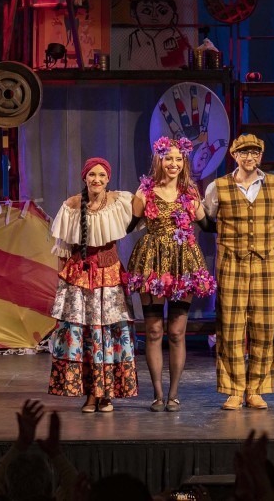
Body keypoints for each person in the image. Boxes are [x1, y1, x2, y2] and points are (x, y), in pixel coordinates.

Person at [125, 136, 216, 412]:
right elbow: (127, 225)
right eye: (169, 158)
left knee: (176, 332)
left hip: (182, 263)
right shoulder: (145, 191)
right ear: (159, 160)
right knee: (154, 330)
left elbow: (207, 225)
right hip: (152, 262)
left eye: (179, 159)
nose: (174, 163)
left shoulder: (190, 192)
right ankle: (157, 393)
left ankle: (174, 394)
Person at [203, 133, 274, 411]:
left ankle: (256, 389)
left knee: (264, 327)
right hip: (232, 263)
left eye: (254, 153)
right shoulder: (218, 186)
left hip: (266, 263)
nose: (249, 157)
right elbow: (208, 218)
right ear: (234, 155)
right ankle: (234, 390)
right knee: (231, 328)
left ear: (260, 156)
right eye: (244, 153)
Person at [48, 157, 138, 413]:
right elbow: (63, 249)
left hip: (109, 276)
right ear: (84, 177)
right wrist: (63, 284)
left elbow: (144, 207)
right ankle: (90, 394)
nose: (96, 179)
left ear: (108, 179)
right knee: (85, 334)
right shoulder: (71, 206)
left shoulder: (119, 202)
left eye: (101, 175)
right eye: (92, 175)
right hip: (80, 277)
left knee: (108, 333)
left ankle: (106, 393)